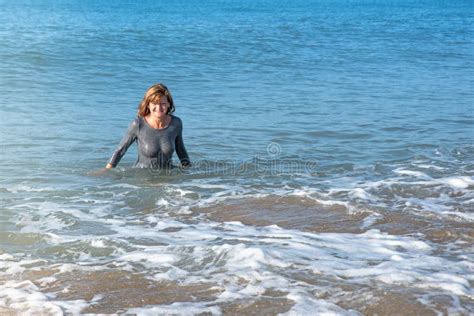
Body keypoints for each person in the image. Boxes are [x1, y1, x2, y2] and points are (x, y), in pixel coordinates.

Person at [106, 83, 191, 170]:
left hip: (167, 179)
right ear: (148, 104)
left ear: (169, 104)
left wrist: (190, 173)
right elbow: (120, 151)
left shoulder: (176, 123)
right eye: (154, 103)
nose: (159, 107)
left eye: (163, 103)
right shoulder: (138, 124)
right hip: (143, 178)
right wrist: (107, 171)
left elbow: (181, 151)